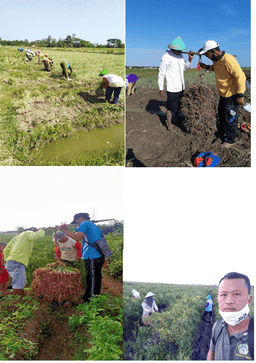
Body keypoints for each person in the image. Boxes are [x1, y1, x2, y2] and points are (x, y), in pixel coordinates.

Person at [198, 40, 246, 148]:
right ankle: (224, 132)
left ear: (214, 51)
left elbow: (241, 77)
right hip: (223, 94)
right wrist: (205, 66)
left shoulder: (229, 60)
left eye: (207, 54)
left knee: (230, 117)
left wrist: (240, 95)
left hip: (232, 94)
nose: (207, 56)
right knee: (222, 115)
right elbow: (215, 69)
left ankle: (230, 140)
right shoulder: (217, 60)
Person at [59, 213, 107, 302]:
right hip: (97, 255)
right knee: (94, 277)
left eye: (76, 222)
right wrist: (104, 257)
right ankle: (89, 295)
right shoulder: (93, 226)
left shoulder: (85, 223)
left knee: (92, 277)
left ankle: (92, 299)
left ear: (80, 218)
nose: (77, 224)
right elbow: (101, 241)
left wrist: (64, 230)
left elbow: (77, 237)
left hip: (92, 255)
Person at [207, 272, 254, 360]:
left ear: (249, 300)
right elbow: (211, 353)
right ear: (218, 300)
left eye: (236, 294)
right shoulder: (217, 327)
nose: (229, 301)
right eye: (223, 295)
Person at [158, 37, 194, 130]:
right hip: (172, 88)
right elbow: (161, 74)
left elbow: (185, 68)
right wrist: (161, 88)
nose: (180, 51)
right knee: (170, 107)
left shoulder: (181, 57)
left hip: (181, 87)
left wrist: (189, 60)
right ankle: (169, 124)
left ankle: (176, 120)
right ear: (173, 48)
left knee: (179, 106)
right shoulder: (166, 57)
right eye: (179, 50)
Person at [3, 229, 45, 297]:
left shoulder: (16, 237)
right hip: (17, 262)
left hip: (10, 262)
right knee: (19, 283)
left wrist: (7, 259)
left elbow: (6, 250)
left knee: (19, 281)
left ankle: (21, 297)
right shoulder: (27, 233)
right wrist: (41, 230)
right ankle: (19, 301)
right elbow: (38, 235)